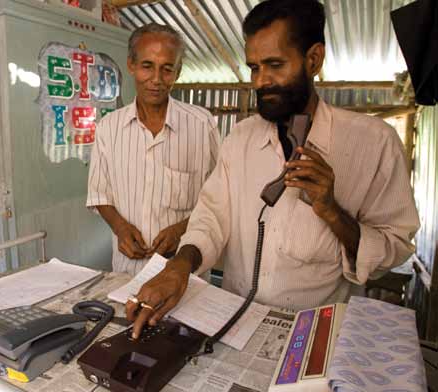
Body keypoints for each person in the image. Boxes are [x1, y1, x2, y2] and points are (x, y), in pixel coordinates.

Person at [126, 0, 420, 338]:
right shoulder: (240, 138)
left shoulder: (374, 143)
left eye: (275, 65)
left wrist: (332, 212)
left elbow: (393, 248)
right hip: (232, 327)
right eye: (253, 68)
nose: (260, 81)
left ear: (313, 59)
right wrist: (180, 265)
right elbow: (211, 218)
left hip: (312, 335)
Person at [87, 23, 220, 275]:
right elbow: (99, 195)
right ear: (132, 66)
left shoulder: (202, 125)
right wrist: (120, 228)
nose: (156, 80)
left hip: (184, 273)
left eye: (167, 69)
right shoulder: (108, 128)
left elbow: (220, 200)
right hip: (126, 271)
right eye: (147, 66)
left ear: (178, 72)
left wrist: (181, 230)